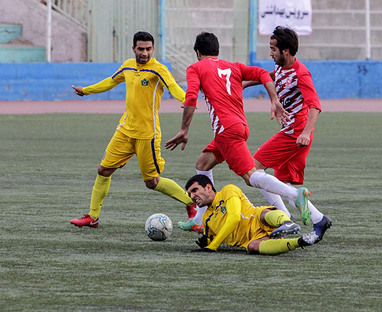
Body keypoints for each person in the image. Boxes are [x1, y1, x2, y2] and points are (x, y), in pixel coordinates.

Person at [165, 31, 311, 233]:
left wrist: (184, 130)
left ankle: (295, 196)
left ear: (198, 53)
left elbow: (190, 98)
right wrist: (274, 99)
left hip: (226, 131)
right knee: (203, 163)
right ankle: (200, 218)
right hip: (239, 126)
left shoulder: (195, 68)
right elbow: (261, 73)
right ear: (217, 51)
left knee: (251, 176)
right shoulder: (232, 66)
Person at [70, 31, 192, 228]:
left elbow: (172, 86)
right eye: (141, 49)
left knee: (152, 182)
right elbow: (111, 81)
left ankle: (190, 203)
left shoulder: (158, 69)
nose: (145, 53)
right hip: (125, 130)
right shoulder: (127, 65)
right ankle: (93, 217)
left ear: (153, 49)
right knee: (103, 170)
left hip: (147, 135)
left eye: (148, 49)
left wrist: (186, 100)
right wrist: (86, 90)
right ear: (133, 48)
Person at [241, 26, 331, 243]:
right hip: (292, 131)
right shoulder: (281, 67)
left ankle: (285, 220)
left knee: (253, 169)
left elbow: (315, 106)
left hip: (296, 134)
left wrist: (306, 133)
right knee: (282, 183)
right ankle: (319, 220)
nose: (270, 53)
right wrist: (243, 85)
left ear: (286, 51)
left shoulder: (302, 74)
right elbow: (273, 76)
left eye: (273, 49)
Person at [185, 174, 314, 254]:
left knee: (263, 214)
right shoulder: (206, 218)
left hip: (256, 219)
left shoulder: (227, 190)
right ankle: (300, 241)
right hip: (251, 239)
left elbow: (234, 218)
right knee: (252, 247)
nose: (192, 196)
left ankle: (287, 223)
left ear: (208, 187)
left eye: (194, 190)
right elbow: (210, 238)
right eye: (190, 194)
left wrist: (213, 246)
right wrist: (207, 242)